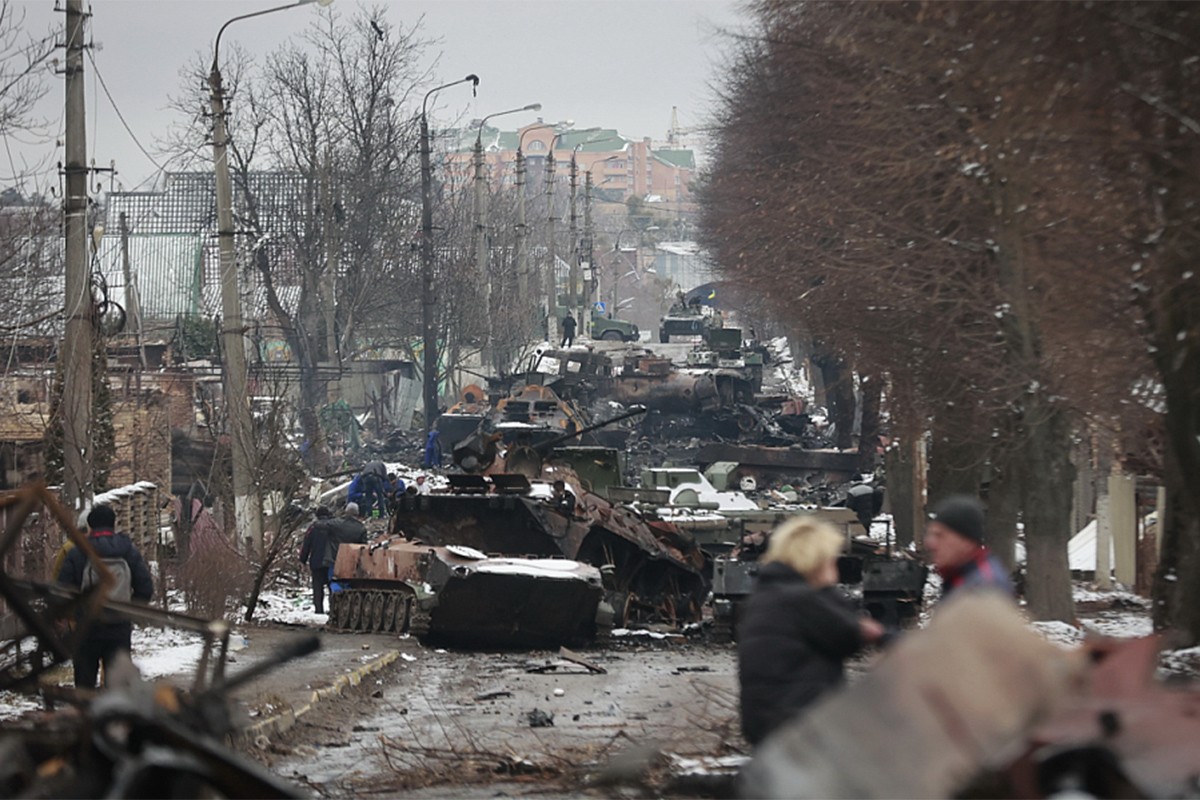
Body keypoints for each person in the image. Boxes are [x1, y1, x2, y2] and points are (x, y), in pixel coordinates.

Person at [738, 516, 885, 747]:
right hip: (798, 726)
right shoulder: (800, 599)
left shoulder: (768, 594)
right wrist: (826, 589)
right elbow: (848, 637)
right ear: (815, 559)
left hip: (771, 723)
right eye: (830, 558)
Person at [57, 505, 154, 689]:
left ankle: (85, 715)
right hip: (119, 628)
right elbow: (145, 588)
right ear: (114, 524)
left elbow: (62, 591)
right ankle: (114, 717)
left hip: (87, 628)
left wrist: (74, 614)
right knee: (117, 687)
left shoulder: (78, 552)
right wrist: (129, 610)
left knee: (85, 686)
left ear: (90, 526)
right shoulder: (128, 551)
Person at [925, 494, 1013, 601]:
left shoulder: (985, 586)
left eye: (940, 536)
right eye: (931, 535)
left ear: (966, 541)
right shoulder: (959, 579)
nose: (930, 543)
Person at [298, 507, 334, 614]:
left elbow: (306, 545)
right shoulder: (333, 527)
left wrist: (302, 560)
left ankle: (319, 610)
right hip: (331, 562)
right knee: (332, 586)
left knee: (318, 588)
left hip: (316, 562)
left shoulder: (312, 528)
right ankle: (333, 610)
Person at [327, 502, 369, 569]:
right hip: (352, 562)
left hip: (335, 559)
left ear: (346, 511)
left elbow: (324, 524)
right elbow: (363, 547)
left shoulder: (335, 523)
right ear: (357, 513)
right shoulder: (361, 528)